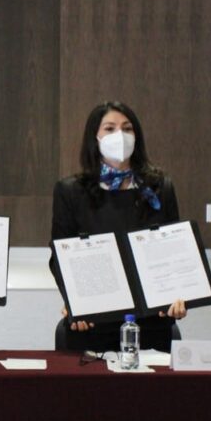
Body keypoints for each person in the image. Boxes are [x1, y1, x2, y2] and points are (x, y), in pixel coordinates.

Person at [49, 101, 186, 352]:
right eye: (110, 128)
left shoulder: (160, 187)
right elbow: (60, 257)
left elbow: (174, 251)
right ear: (95, 137)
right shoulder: (71, 191)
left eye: (127, 128)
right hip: (92, 320)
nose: (120, 136)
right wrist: (74, 302)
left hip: (152, 320)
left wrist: (177, 295)